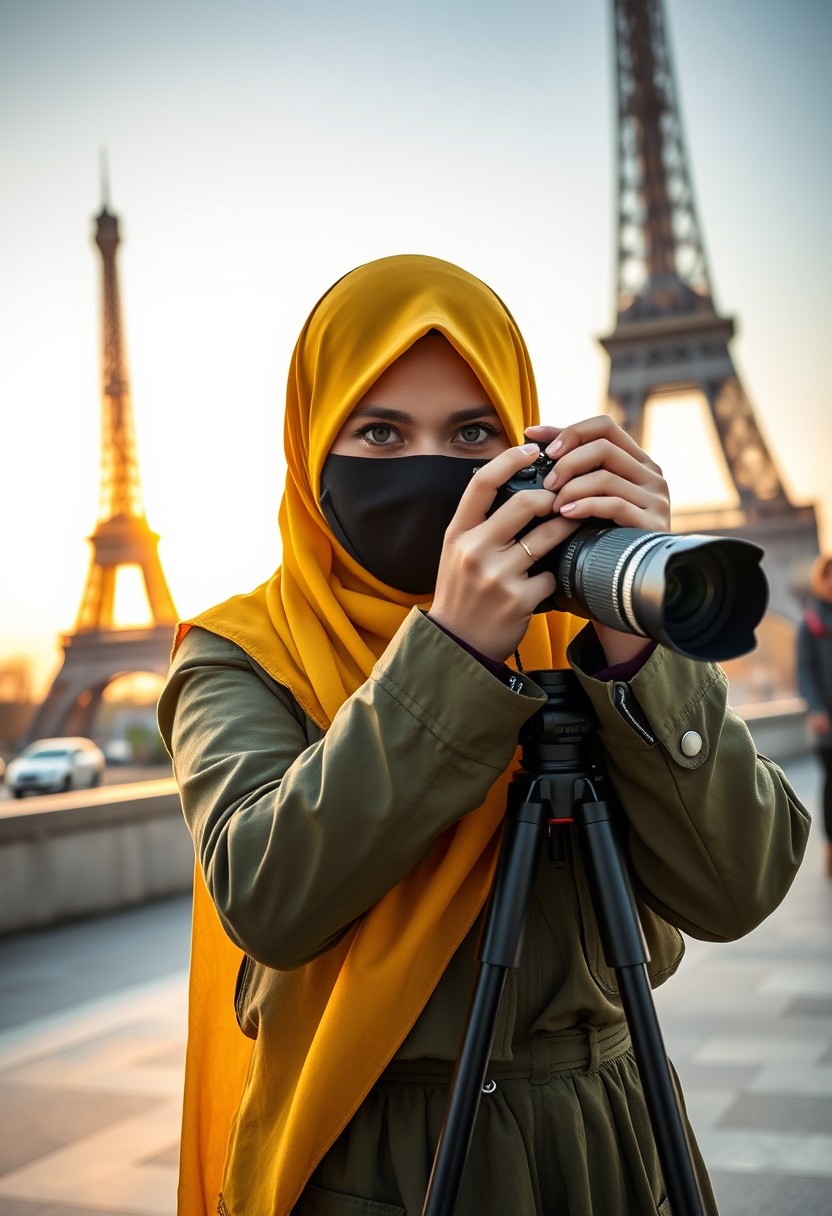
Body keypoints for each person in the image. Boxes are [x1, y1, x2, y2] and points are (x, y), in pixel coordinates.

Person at [158, 254, 810, 1216]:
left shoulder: (581, 624)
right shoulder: (239, 653)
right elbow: (268, 897)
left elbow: (738, 888)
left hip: (616, 1142)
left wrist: (639, 648)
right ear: (308, 449)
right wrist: (453, 656)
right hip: (381, 1156)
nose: (433, 470)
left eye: (473, 432)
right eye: (379, 431)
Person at [796, 553, 832, 877]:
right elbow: (804, 671)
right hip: (828, 724)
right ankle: (831, 846)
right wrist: (817, 709)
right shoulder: (810, 624)